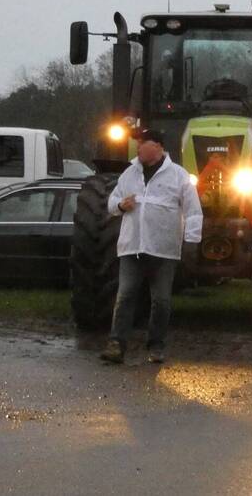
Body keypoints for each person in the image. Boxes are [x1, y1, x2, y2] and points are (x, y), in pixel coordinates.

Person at [99, 129, 202, 365]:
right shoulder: (129, 173)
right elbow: (112, 202)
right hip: (132, 246)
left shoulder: (178, 175)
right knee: (125, 296)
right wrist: (121, 205)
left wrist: (191, 241)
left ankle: (156, 345)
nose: (138, 147)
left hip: (163, 250)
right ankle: (116, 344)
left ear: (158, 146)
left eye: (142, 143)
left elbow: (193, 210)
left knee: (161, 300)